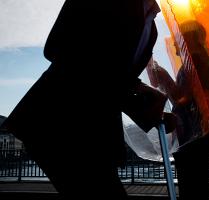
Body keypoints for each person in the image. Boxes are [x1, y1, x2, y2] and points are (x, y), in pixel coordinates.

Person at [0, 0, 175, 199]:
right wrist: (139, 87)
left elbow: (112, 83)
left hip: (93, 134)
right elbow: (55, 47)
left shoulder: (151, 28)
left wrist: (152, 114)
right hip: (56, 123)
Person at [146, 19, 209, 200]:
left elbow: (183, 100)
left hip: (193, 142)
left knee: (193, 191)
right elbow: (188, 98)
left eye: (178, 36)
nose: (173, 42)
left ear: (189, 37)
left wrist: (164, 79)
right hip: (195, 141)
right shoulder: (198, 61)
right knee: (197, 190)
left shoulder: (195, 62)